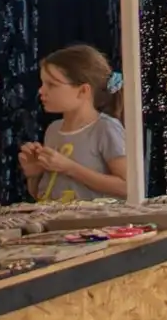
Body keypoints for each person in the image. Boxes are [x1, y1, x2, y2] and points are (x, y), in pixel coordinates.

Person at [20, 44, 128, 202]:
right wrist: (34, 175)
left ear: (83, 90)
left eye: (52, 85)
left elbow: (126, 187)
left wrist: (69, 168)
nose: (41, 91)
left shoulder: (105, 128)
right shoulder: (53, 130)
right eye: (42, 83)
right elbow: (44, 195)